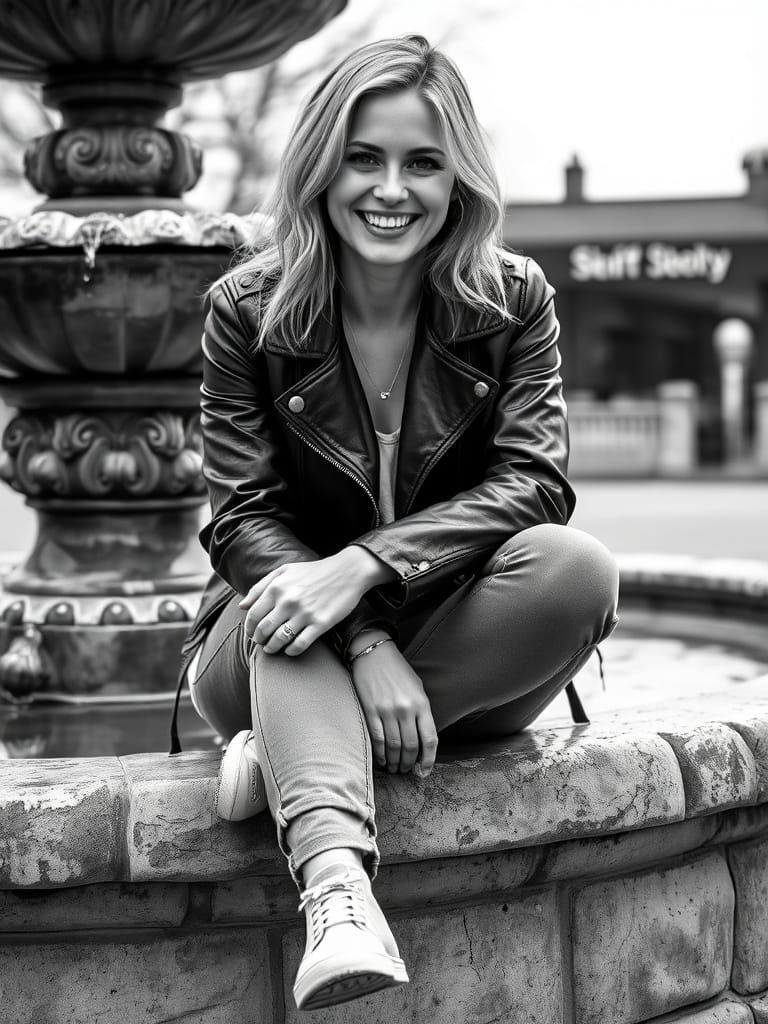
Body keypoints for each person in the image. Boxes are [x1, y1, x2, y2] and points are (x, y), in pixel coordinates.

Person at [178, 34, 619, 1012]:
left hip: (450, 646)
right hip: (268, 637)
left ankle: (296, 756)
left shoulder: (513, 300)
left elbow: (534, 482)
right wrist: (365, 635)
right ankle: (337, 895)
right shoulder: (245, 310)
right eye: (364, 158)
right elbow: (244, 520)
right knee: (288, 607)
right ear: (321, 167)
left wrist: (367, 567)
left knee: (577, 568)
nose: (391, 189)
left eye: (422, 162)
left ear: (458, 178)